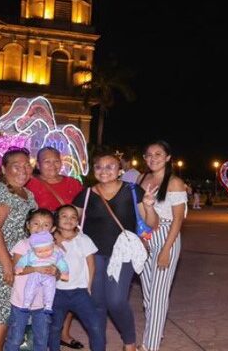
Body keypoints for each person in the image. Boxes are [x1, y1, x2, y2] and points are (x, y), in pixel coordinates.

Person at [73, 150, 158, 351]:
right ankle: (98, 345)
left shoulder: (132, 190)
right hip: (93, 255)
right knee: (97, 303)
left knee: (116, 301)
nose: (104, 171)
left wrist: (149, 206)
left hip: (122, 255)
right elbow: (69, 221)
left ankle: (129, 342)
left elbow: (152, 224)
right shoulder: (85, 195)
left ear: (120, 170)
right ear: (94, 171)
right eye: (99, 167)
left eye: (110, 166)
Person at [25, 146, 85, 349]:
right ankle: (35, 336)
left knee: (68, 288)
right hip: (39, 247)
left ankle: (63, 334)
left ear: (62, 162)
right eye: (47, 161)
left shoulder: (74, 184)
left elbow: (80, 215)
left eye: (56, 160)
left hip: (68, 245)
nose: (52, 165)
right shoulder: (30, 183)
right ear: (38, 164)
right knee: (37, 289)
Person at [0, 148, 37, 351]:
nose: (23, 170)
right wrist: (7, 265)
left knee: (11, 311)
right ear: (4, 169)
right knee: (0, 314)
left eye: (26, 165)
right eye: (16, 166)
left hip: (18, 260)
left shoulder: (28, 194)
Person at [137, 140, 187, 351]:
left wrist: (166, 250)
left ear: (168, 157)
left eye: (158, 154)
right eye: (148, 155)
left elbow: (178, 220)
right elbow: (138, 210)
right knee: (148, 295)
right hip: (145, 236)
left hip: (167, 236)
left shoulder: (174, 183)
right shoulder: (142, 178)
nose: (153, 158)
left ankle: (150, 345)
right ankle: (156, 330)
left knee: (158, 296)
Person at [48, 204, 104, 351]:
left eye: (73, 217)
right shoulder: (48, 240)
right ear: (56, 219)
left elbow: (91, 265)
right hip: (56, 292)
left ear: (78, 221)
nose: (69, 219)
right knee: (54, 327)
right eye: (64, 216)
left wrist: (89, 286)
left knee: (95, 326)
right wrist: (53, 239)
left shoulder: (83, 239)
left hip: (80, 291)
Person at [5, 209, 57, 351]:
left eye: (46, 225)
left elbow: (59, 272)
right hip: (21, 301)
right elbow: (17, 269)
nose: (40, 228)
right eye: (36, 224)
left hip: (43, 303)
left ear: (53, 229)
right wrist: (36, 269)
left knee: (42, 338)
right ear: (28, 225)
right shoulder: (22, 245)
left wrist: (55, 271)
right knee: (15, 338)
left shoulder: (54, 248)